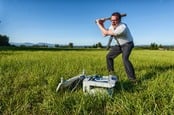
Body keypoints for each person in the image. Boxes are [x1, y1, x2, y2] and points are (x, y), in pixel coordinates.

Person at [96, 12, 136, 82]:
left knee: (125, 59)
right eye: (111, 20)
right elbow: (104, 34)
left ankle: (132, 79)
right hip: (119, 45)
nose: (113, 22)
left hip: (128, 44)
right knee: (109, 57)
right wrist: (102, 24)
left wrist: (98, 24)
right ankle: (111, 73)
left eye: (115, 20)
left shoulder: (122, 27)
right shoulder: (111, 26)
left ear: (120, 20)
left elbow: (105, 32)